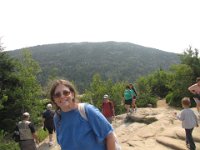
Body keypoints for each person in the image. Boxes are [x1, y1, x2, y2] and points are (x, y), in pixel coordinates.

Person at [50, 79, 116, 150]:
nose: (62, 96)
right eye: (57, 95)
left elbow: (109, 135)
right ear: (54, 99)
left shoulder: (87, 110)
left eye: (66, 93)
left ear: (72, 94)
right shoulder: (57, 118)